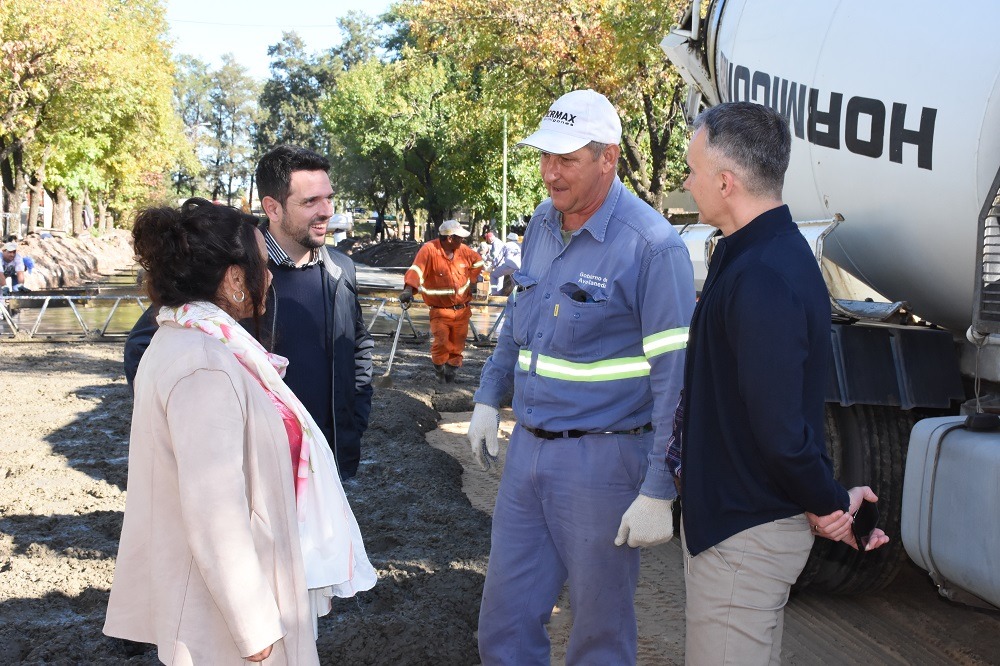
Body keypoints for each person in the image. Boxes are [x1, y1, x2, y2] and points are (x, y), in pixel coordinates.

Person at [466, 89, 695, 664]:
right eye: (545, 156)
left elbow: (676, 381)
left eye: (566, 159)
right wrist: (490, 396)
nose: (549, 172)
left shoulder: (652, 247)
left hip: (604, 464)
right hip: (528, 457)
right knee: (505, 622)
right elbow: (519, 323)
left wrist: (659, 489)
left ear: (609, 158)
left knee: (598, 633)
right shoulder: (542, 223)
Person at [104, 198, 376, 665]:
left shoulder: (193, 340)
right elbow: (214, 515)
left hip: (234, 599)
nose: (270, 276)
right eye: (263, 266)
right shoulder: (204, 364)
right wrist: (254, 628)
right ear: (234, 280)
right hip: (227, 624)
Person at [675, 101, 888, 665]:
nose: (686, 181)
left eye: (693, 170)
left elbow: (779, 428)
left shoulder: (763, 273)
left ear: (726, 182)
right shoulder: (753, 255)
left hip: (742, 540)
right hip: (744, 528)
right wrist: (830, 502)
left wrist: (830, 504)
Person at [125, 146, 375, 481]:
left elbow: (357, 346)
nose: (327, 211)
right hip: (253, 472)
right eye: (310, 201)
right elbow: (144, 348)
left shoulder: (341, 270)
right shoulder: (226, 268)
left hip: (326, 460)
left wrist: (353, 424)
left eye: (329, 198)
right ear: (272, 207)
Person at [399, 219, 484, 384]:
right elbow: (417, 269)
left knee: (457, 345)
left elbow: (478, 262)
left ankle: (450, 374)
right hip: (439, 310)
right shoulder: (429, 250)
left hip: (461, 310)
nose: (462, 240)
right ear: (450, 238)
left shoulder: (464, 251)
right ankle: (439, 370)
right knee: (442, 343)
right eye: (459, 237)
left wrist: (471, 277)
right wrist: (409, 290)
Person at [483, 229, 506, 294]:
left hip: (500, 264)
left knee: (494, 277)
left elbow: (496, 257)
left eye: (488, 240)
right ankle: (497, 293)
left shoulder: (495, 244)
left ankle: (496, 294)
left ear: (489, 238)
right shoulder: (497, 242)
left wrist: (491, 266)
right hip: (501, 264)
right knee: (499, 280)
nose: (488, 242)